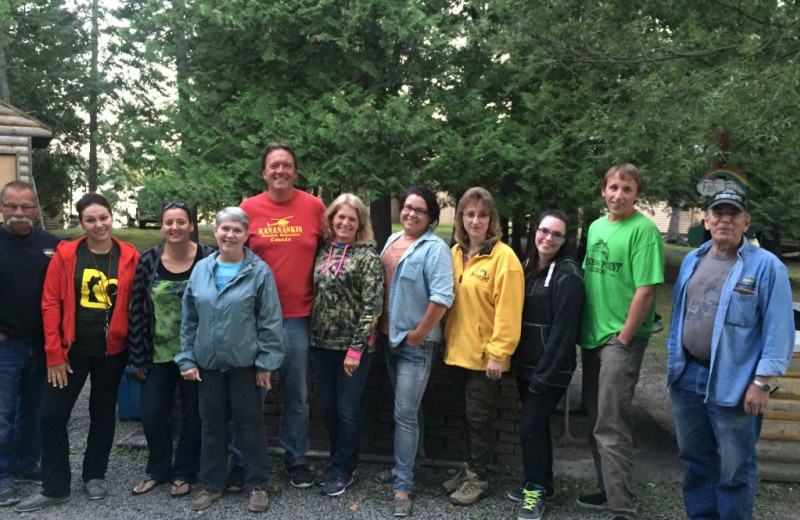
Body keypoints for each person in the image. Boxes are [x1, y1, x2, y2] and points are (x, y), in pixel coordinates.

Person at [667, 189, 794, 520]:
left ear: (745, 222)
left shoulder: (767, 267)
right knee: (696, 461)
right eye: (718, 213)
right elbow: (681, 316)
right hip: (688, 376)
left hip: (735, 383)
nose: (725, 219)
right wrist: (675, 370)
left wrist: (761, 382)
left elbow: (779, 330)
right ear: (707, 222)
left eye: (733, 214)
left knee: (734, 469)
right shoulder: (693, 260)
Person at [15, 193, 140, 513]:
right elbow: (50, 303)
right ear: (81, 223)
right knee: (51, 415)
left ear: (112, 218)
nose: (99, 224)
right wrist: (54, 353)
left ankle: (94, 475)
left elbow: (137, 303)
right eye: (90, 219)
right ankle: (56, 485)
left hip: (113, 351)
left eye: (103, 217)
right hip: (71, 351)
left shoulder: (129, 255)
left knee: (102, 414)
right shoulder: (67, 254)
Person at [176, 207, 284, 513]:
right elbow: (189, 319)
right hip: (207, 366)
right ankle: (212, 484)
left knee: (250, 426)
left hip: (245, 366)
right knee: (211, 426)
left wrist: (265, 363)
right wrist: (186, 359)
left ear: (246, 235)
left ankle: (257, 485)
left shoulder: (259, 272)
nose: (230, 235)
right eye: (225, 229)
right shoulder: (201, 270)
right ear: (216, 232)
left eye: (237, 230)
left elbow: (270, 321)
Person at [577, 164, 664, 520]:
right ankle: (607, 489)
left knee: (612, 424)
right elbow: (588, 277)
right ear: (603, 191)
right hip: (593, 337)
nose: (618, 195)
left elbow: (646, 290)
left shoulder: (643, 231)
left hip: (620, 340)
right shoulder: (598, 226)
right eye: (613, 187)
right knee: (597, 418)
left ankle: (623, 508)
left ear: (636, 194)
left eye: (627, 189)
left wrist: (624, 337)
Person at [239, 143, 326, 489]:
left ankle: (297, 459)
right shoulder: (248, 209)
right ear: (264, 172)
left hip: (297, 317)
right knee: (250, 394)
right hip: (254, 319)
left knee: (297, 395)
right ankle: (244, 458)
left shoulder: (314, 207)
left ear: (295, 171)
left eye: (286, 165)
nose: (280, 171)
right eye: (274, 165)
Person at [441, 187, 524, 506]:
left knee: (478, 419)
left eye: (482, 215)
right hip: (455, 352)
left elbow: (508, 312)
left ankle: (479, 478)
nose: (476, 220)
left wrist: (498, 354)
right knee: (463, 416)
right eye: (470, 214)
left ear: (492, 220)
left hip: (484, 358)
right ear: (461, 218)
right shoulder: (455, 254)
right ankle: (467, 469)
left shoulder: (505, 258)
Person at [128, 202, 214, 498]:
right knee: (152, 412)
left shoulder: (208, 258)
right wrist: (137, 355)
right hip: (157, 353)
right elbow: (137, 307)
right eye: (168, 222)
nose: (174, 227)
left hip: (197, 354)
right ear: (162, 226)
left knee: (194, 415)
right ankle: (158, 469)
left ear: (192, 225)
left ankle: (184, 472)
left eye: (181, 222)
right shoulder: (149, 260)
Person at [379, 185, 454, 517]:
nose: (410, 213)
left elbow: (442, 297)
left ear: (431, 217)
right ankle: (411, 464)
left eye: (419, 210)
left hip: (415, 344)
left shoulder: (435, 248)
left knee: (404, 414)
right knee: (409, 411)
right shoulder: (391, 242)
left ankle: (402, 486)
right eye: (407, 208)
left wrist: (419, 334)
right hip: (388, 339)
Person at [509, 210, 584, 520]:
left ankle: (535, 492)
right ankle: (542, 482)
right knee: (536, 428)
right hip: (525, 365)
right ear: (534, 231)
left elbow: (564, 334)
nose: (548, 238)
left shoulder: (568, 277)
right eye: (544, 231)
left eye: (556, 234)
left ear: (565, 240)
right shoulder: (526, 267)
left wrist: (544, 375)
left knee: (530, 429)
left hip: (550, 370)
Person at [310, 194, 384, 497]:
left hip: (353, 350)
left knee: (347, 409)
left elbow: (372, 307)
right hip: (321, 345)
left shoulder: (368, 258)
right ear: (331, 219)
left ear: (360, 224)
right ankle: (333, 461)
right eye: (340, 217)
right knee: (328, 407)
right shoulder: (323, 252)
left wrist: (355, 350)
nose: (344, 223)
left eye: (351, 219)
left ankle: (344, 469)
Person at [0, 181, 60, 507]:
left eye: (25, 207)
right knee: (3, 414)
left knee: (35, 410)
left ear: (35, 209)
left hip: (42, 344)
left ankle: (26, 463)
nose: (18, 213)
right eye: (12, 206)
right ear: (2, 208)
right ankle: (3, 477)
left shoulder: (50, 244)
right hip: (5, 345)